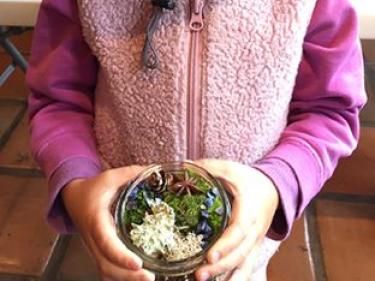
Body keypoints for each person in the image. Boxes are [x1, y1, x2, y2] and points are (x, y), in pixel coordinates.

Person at [26, 0, 366, 280]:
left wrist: (275, 185)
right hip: (126, 237)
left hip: (240, 248)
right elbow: (58, 101)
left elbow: (329, 111)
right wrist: (77, 185)